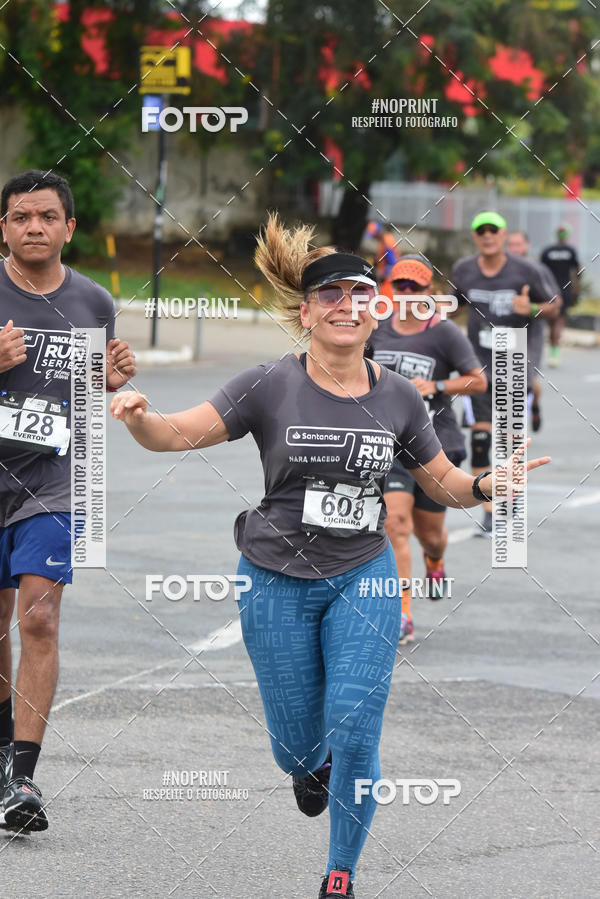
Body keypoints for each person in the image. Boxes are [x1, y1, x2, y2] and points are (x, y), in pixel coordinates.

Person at [111, 213, 550, 898]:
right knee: (295, 746)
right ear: (306, 312)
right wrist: (139, 416)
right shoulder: (269, 383)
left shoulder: (399, 395)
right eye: (330, 295)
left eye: (360, 294)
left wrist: (488, 485)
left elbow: (442, 482)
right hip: (274, 576)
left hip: (364, 574)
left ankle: (339, 875)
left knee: (357, 725)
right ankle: (308, 766)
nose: (347, 305)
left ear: (377, 310)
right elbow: (176, 433)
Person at [0, 170, 136, 832]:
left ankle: (24, 776)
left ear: (69, 228)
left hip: (56, 481)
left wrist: (110, 378)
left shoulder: (94, 301)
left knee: (40, 617)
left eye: (47, 216)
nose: (35, 227)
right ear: (4, 227)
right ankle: (3, 754)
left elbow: (88, 389)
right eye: (21, 217)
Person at [366, 255, 487, 643]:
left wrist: (436, 386)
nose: (405, 293)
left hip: (436, 445)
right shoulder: (377, 328)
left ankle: (434, 560)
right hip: (390, 445)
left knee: (430, 534)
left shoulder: (444, 332)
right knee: (395, 525)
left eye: (413, 287)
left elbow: (477, 381)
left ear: (429, 292)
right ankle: (402, 613)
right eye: (399, 286)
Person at [451, 211, 559, 536]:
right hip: (478, 365)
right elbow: (454, 304)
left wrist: (533, 308)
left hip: (515, 361)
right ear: (475, 236)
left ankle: (510, 500)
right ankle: (490, 512)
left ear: (502, 235)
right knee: (480, 441)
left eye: (493, 230)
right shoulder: (464, 269)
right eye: (481, 230)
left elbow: (555, 305)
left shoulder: (527, 270)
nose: (487, 235)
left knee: (508, 443)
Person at [507, 230, 561, 431]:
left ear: (527, 246)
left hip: (530, 333)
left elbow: (556, 302)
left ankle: (532, 408)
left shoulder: (537, 270)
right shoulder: (501, 270)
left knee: (527, 382)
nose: (514, 249)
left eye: (518, 244)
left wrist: (531, 308)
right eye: (511, 244)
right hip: (504, 333)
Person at [541, 223, 581, 366]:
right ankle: (554, 353)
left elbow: (540, 271)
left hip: (549, 289)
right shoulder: (570, 251)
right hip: (564, 290)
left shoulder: (548, 251)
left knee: (551, 320)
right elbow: (578, 271)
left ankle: (549, 349)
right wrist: (577, 286)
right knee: (559, 320)